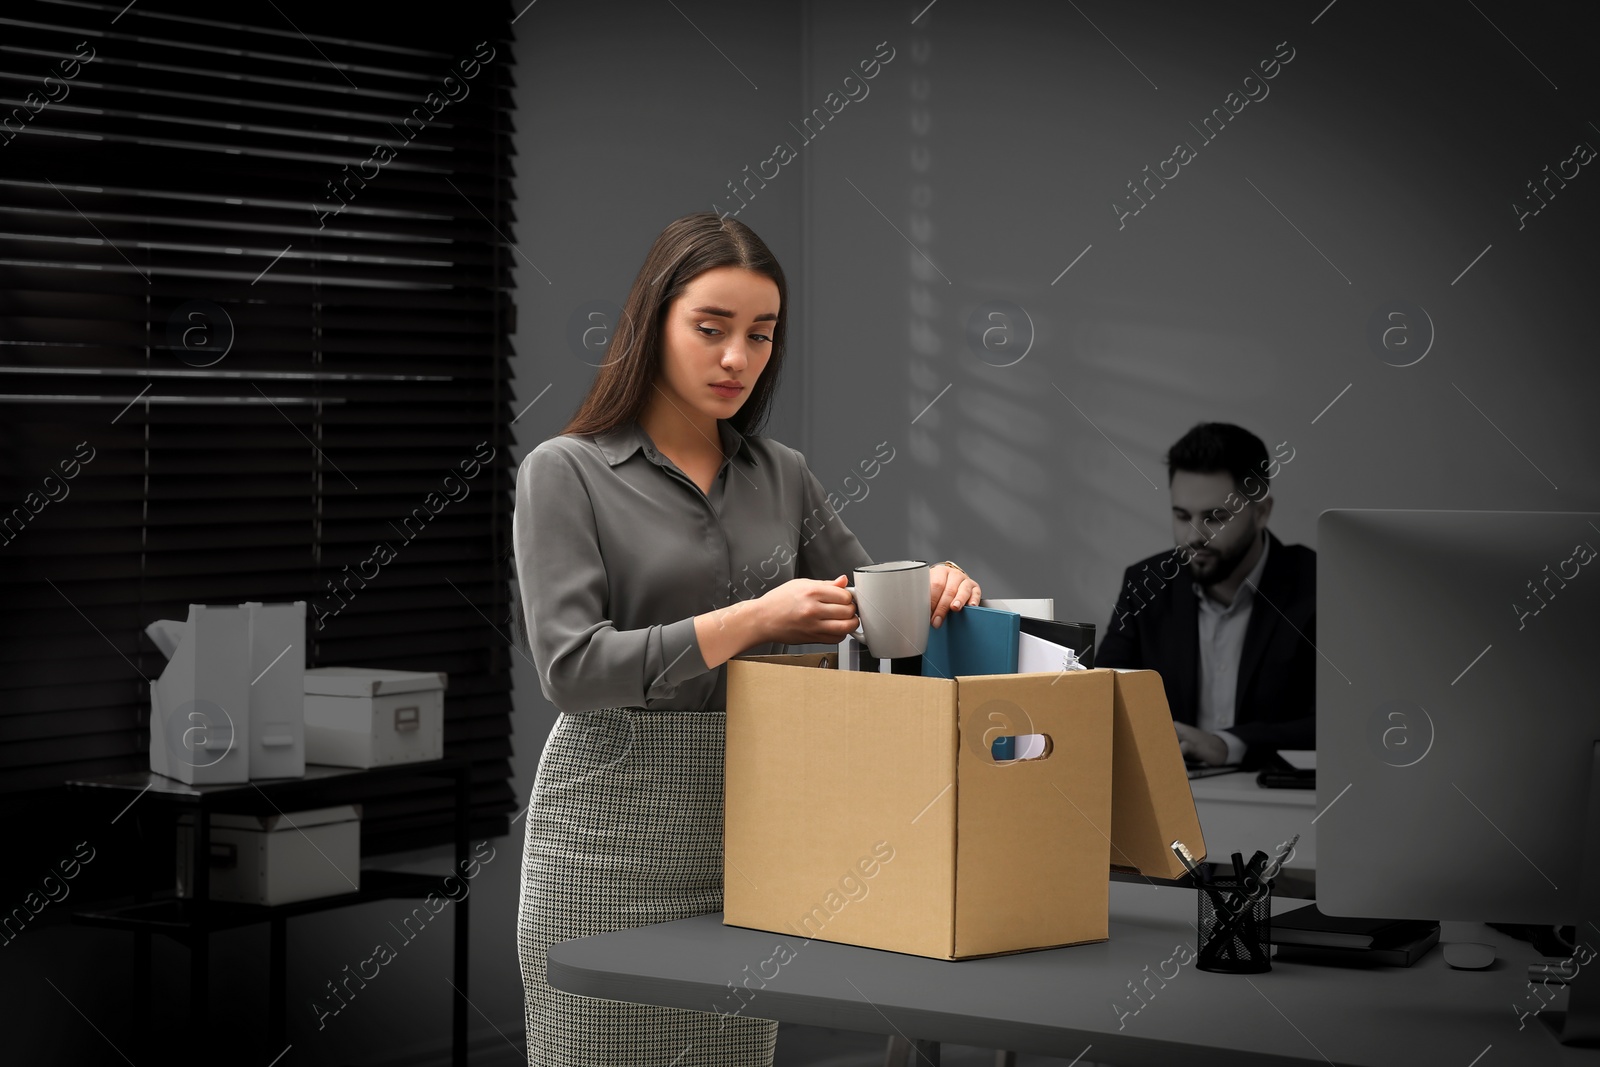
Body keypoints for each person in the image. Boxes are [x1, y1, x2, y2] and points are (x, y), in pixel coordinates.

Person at [509, 212, 981, 1066]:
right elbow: (572, 669)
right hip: (609, 832)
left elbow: (872, 617)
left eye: (760, 336)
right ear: (652, 322)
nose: (739, 358)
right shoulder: (564, 470)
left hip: (761, 831)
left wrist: (934, 587)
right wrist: (755, 620)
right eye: (711, 328)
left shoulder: (782, 473)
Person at [1095, 422, 1314, 769]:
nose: (1194, 535)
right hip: (1173, 798)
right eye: (1182, 516)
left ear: (1261, 512)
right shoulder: (1146, 584)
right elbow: (1103, 699)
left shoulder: (1318, 585)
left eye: (1215, 518)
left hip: (1283, 803)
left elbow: (1338, 721)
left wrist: (1228, 745)